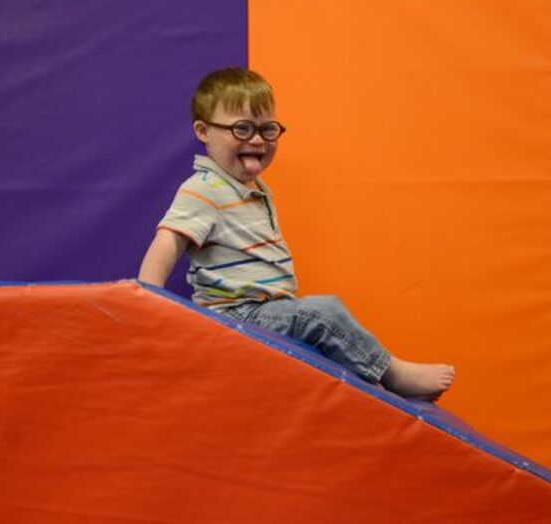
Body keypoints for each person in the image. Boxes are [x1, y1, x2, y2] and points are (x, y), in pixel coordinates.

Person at [138, 67, 455, 400]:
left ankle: (369, 388)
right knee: (323, 312)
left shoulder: (252, 188)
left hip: (268, 309)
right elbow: (168, 240)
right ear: (203, 131)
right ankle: (393, 373)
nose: (257, 139)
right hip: (236, 316)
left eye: (267, 129)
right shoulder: (203, 189)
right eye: (242, 128)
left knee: (317, 325)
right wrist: (149, 300)